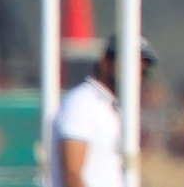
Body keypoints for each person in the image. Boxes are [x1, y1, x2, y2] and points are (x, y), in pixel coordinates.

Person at [50, 35, 159, 187]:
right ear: (106, 63)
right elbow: (72, 173)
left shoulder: (109, 106)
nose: (136, 77)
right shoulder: (82, 102)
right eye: (130, 68)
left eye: (142, 72)